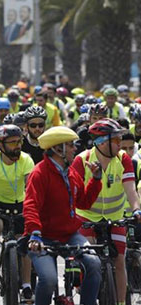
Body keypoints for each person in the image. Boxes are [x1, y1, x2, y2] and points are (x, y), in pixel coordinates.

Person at [23, 126, 104, 305]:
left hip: (70, 235)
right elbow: (30, 205)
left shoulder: (72, 173)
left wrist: (96, 179)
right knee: (49, 279)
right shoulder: (39, 173)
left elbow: (83, 203)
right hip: (42, 237)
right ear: (58, 149)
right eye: (71, 145)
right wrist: (34, 233)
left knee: (94, 264)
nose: (75, 149)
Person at [72, 118, 141, 305]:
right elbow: (74, 193)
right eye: (117, 140)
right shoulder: (82, 160)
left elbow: (131, 190)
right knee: (87, 259)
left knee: (120, 259)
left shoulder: (123, 159)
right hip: (86, 218)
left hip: (115, 218)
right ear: (102, 142)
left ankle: (119, 302)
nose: (121, 144)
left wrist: (136, 210)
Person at [0, 124, 35, 300]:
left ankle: (26, 285)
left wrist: (33, 208)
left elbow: (30, 186)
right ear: (1, 145)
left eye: (19, 141)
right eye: (12, 142)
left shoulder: (26, 159)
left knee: (24, 242)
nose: (17, 145)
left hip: (21, 203)